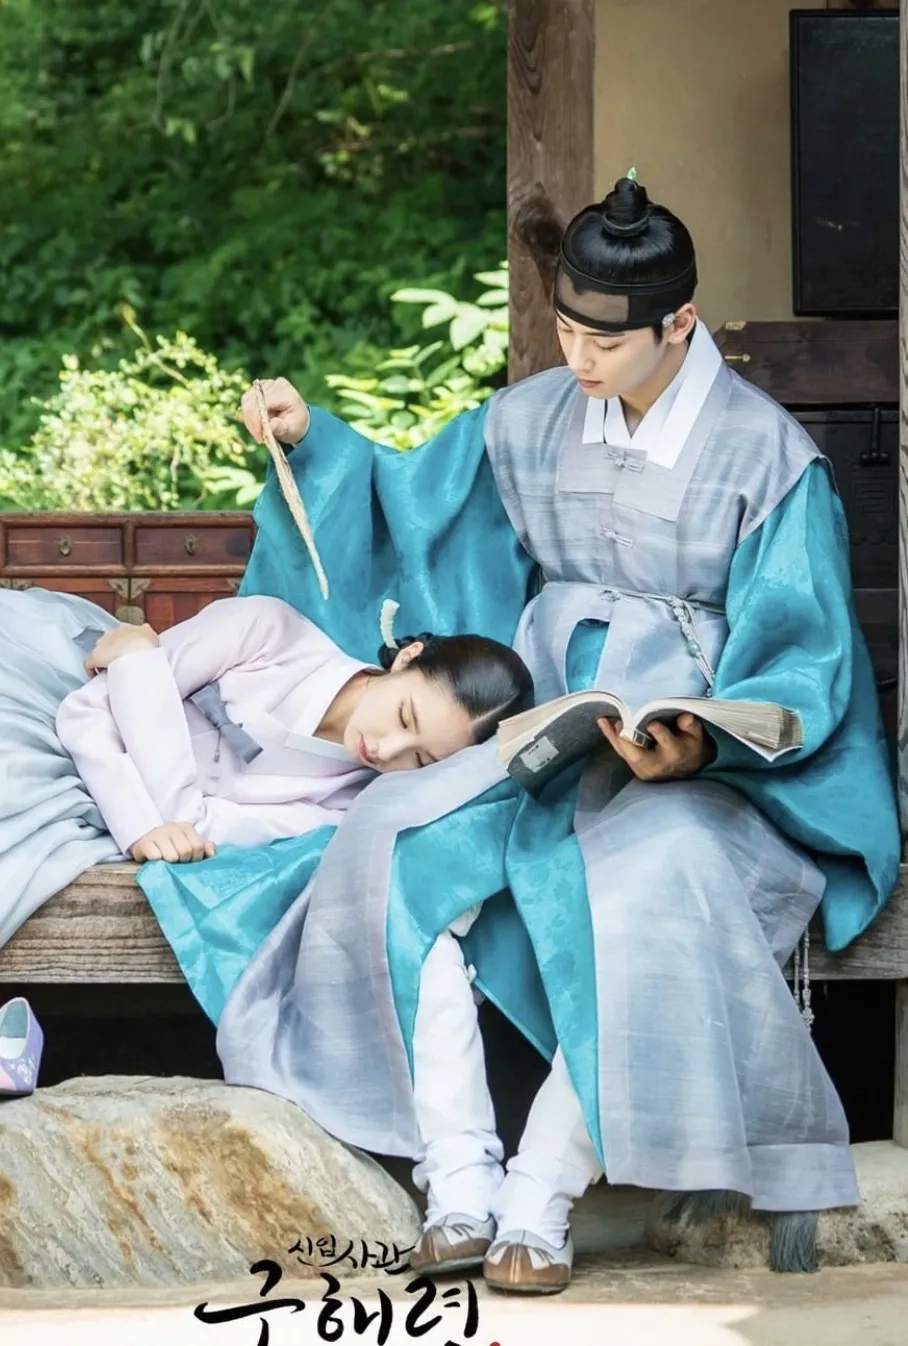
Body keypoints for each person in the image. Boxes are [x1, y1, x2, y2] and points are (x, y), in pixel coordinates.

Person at [166, 173, 897, 1294]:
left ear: (679, 323)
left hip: (699, 772)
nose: (578, 359)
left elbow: (802, 657)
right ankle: (456, 1176)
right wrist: (315, 442)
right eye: (565, 331)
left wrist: (701, 743)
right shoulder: (534, 416)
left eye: (604, 340)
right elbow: (413, 503)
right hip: (536, 732)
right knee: (396, 845)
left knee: (654, 885)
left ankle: (539, 1195)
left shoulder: (767, 456)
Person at [0, 585, 531, 957]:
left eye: (421, 760)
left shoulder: (345, 806)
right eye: (404, 716)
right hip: (49, 698)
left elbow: (195, 825)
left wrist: (139, 664)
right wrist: (142, 822)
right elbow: (87, 711)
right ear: (408, 657)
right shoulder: (268, 633)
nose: (386, 750)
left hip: (115, 807)